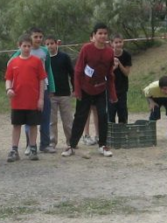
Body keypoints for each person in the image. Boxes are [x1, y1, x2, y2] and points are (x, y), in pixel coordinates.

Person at [62, 23, 117, 158]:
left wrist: (113, 94)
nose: (103, 36)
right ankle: (71, 145)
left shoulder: (110, 52)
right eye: (100, 33)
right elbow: (78, 70)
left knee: (103, 116)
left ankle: (102, 145)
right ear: (94, 35)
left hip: (101, 89)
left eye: (105, 33)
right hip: (85, 89)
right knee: (80, 117)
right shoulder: (86, 49)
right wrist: (77, 90)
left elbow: (110, 75)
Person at [10, 27, 56, 155]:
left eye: (40, 37)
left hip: (43, 88)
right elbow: (11, 64)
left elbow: (48, 70)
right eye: (35, 37)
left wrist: (51, 87)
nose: (38, 39)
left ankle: (45, 144)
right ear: (30, 38)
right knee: (29, 119)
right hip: (28, 90)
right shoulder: (22, 52)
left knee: (45, 117)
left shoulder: (45, 51)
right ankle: (29, 145)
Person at [5, 34, 47, 162]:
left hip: (32, 101)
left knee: (33, 125)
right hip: (17, 101)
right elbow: (8, 79)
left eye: (29, 46)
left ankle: (33, 148)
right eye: (24, 46)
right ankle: (14, 149)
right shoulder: (13, 62)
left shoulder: (37, 62)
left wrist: (41, 99)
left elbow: (41, 80)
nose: (27, 48)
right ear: (19, 46)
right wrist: (8, 89)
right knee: (16, 125)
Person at [45, 36, 74, 150]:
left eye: (51, 43)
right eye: (47, 44)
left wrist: (75, 88)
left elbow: (72, 73)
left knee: (67, 120)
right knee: (52, 121)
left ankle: (71, 141)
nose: (49, 46)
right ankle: (52, 142)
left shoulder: (64, 57)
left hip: (64, 94)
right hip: (51, 94)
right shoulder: (45, 59)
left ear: (56, 44)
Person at [144, 76, 167, 142]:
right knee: (154, 113)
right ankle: (150, 133)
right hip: (155, 98)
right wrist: (151, 102)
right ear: (160, 87)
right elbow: (146, 94)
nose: (166, 91)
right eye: (164, 89)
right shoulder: (152, 88)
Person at [109, 33, 132, 123]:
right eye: (116, 42)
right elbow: (104, 74)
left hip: (122, 88)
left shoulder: (126, 55)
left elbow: (126, 73)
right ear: (111, 44)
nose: (118, 44)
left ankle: (122, 134)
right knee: (110, 114)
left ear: (123, 42)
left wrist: (119, 64)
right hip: (110, 88)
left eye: (120, 42)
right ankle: (111, 135)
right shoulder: (108, 54)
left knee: (122, 113)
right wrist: (113, 67)